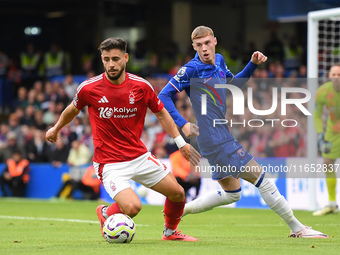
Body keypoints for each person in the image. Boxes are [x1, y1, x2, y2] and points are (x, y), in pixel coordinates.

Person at [158, 25, 328, 238]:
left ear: (215, 41)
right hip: (215, 138)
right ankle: (298, 228)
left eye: (207, 43)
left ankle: (180, 211)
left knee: (232, 194)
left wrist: (252, 65)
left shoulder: (219, 60)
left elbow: (232, 85)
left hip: (217, 137)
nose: (204, 48)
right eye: (199, 45)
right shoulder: (191, 69)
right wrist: (182, 123)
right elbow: (163, 96)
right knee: (263, 180)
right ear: (194, 46)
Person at [46, 37, 201, 241]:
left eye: (116, 59)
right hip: (109, 162)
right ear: (102, 60)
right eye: (107, 59)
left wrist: (181, 143)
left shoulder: (141, 86)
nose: (111, 64)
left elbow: (161, 113)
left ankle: (170, 233)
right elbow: (72, 110)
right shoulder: (88, 88)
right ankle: (105, 213)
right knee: (132, 207)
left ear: (126, 58)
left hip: (138, 156)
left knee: (177, 193)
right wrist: (56, 128)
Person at [313, 63, 340, 216]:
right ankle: (332, 204)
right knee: (327, 165)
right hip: (332, 131)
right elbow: (317, 115)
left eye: (339, 75)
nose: (336, 78)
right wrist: (320, 135)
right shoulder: (323, 92)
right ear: (330, 76)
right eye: (334, 75)